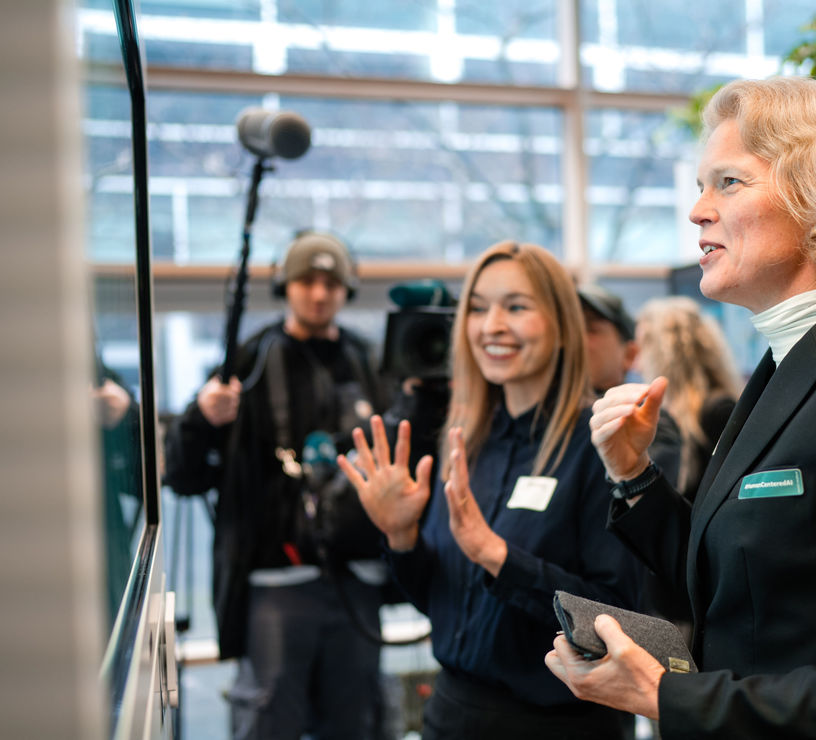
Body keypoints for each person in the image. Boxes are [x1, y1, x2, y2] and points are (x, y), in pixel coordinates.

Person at [546, 76, 816, 739]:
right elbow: (742, 578)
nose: (698, 210)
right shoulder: (787, 366)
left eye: (727, 183)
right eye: (702, 185)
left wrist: (670, 699)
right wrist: (634, 477)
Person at [338, 240, 643, 740]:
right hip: (452, 714)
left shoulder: (603, 446)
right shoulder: (465, 440)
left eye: (516, 307)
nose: (491, 325)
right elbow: (439, 601)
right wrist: (401, 538)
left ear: (563, 326)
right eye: (477, 308)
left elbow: (614, 621)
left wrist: (498, 557)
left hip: (559, 726)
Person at [162, 231, 393, 740]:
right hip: (274, 584)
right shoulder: (249, 361)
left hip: (358, 578)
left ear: (346, 290)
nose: (318, 293)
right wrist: (202, 418)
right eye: (307, 281)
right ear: (284, 285)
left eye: (331, 283)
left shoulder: (369, 362)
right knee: (270, 718)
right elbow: (183, 476)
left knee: (359, 720)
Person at [633, 295, 742, 501]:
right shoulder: (664, 413)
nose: (637, 364)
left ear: (667, 352)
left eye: (643, 347)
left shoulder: (717, 410)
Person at [578, 282, 682, 490]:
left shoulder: (646, 421)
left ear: (629, 354)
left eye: (590, 328)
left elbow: (649, 510)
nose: (574, 339)